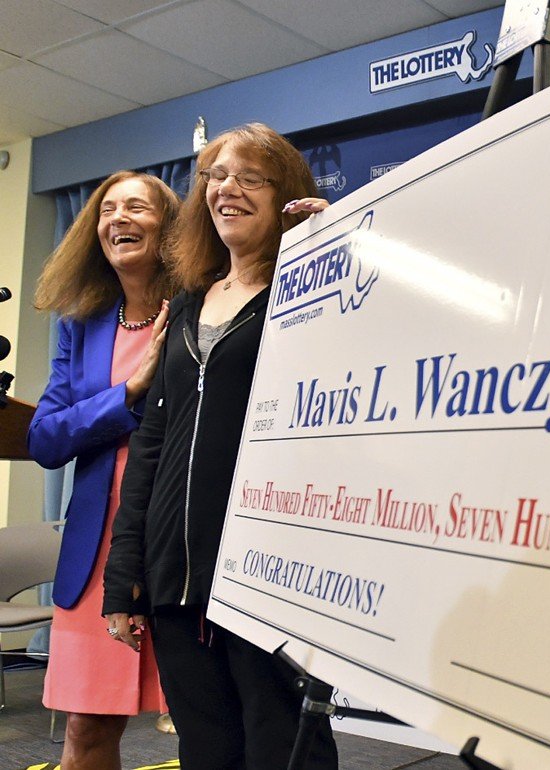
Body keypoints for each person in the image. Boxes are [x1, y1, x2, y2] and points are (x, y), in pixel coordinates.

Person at [102, 124, 338, 769]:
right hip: (177, 578)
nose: (228, 189)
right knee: (208, 754)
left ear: (285, 192)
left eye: (250, 177)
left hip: (271, 574)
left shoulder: (311, 288)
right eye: (216, 176)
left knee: (285, 751)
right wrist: (126, 574)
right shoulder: (183, 306)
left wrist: (336, 248)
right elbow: (152, 443)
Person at [29, 170, 176, 769]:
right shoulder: (79, 324)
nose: (119, 218)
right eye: (107, 209)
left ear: (170, 225)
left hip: (179, 547)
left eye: (137, 207)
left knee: (210, 728)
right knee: (85, 734)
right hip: (95, 555)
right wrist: (127, 393)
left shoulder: (202, 306)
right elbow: (44, 438)